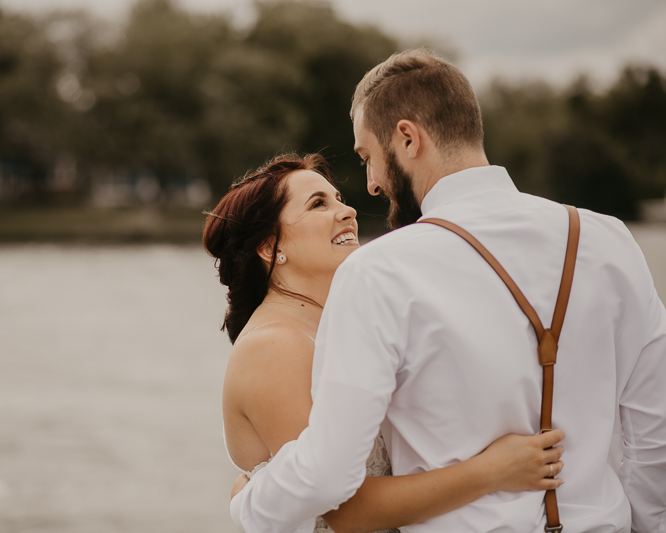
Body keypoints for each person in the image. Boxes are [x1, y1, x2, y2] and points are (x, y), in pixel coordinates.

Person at [228, 49, 666, 533]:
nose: (371, 185)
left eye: (368, 158)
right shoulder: (609, 240)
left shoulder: (379, 271)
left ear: (408, 138)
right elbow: (655, 434)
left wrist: (249, 504)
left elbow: (331, 471)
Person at [203, 153, 565, 533]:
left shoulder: (337, 322)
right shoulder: (273, 346)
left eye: (338, 198)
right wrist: (494, 470)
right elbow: (346, 511)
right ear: (269, 246)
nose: (348, 212)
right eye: (318, 204)